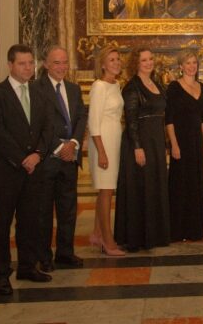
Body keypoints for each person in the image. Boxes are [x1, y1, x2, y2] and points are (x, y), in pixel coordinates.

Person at [0, 44, 53, 295]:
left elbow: (47, 128)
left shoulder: (39, 92)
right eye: (22, 63)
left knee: (30, 221)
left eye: (31, 63)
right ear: (10, 65)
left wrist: (37, 155)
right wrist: (22, 158)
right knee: (2, 225)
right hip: (5, 172)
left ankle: (27, 266)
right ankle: (1, 274)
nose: (28, 68)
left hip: (34, 169)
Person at [35, 46, 88, 271]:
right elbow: (37, 124)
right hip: (48, 158)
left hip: (69, 158)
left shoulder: (74, 89)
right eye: (57, 63)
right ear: (46, 64)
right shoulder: (36, 89)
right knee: (44, 211)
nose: (62, 67)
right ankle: (44, 256)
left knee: (68, 209)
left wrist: (74, 143)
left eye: (65, 62)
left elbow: (81, 117)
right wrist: (60, 146)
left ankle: (65, 253)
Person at [115, 48, 170, 251]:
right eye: (143, 60)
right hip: (140, 143)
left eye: (150, 59)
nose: (148, 63)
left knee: (155, 186)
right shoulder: (131, 88)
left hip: (155, 141)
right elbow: (131, 121)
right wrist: (137, 147)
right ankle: (138, 237)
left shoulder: (156, 84)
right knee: (141, 188)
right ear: (135, 64)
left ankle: (155, 234)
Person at [166, 49, 203, 241]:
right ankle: (179, 229)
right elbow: (169, 119)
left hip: (196, 143)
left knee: (197, 184)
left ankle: (195, 227)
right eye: (188, 63)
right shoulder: (174, 87)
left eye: (194, 63)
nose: (192, 66)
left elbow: (202, 120)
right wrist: (173, 145)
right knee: (180, 184)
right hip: (180, 142)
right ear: (180, 66)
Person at [87, 46, 125, 256]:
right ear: (102, 64)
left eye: (118, 59)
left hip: (114, 139)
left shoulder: (116, 85)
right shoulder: (99, 86)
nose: (116, 62)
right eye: (111, 60)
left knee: (105, 189)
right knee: (106, 191)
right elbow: (93, 122)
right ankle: (108, 242)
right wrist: (101, 152)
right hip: (102, 143)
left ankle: (96, 233)